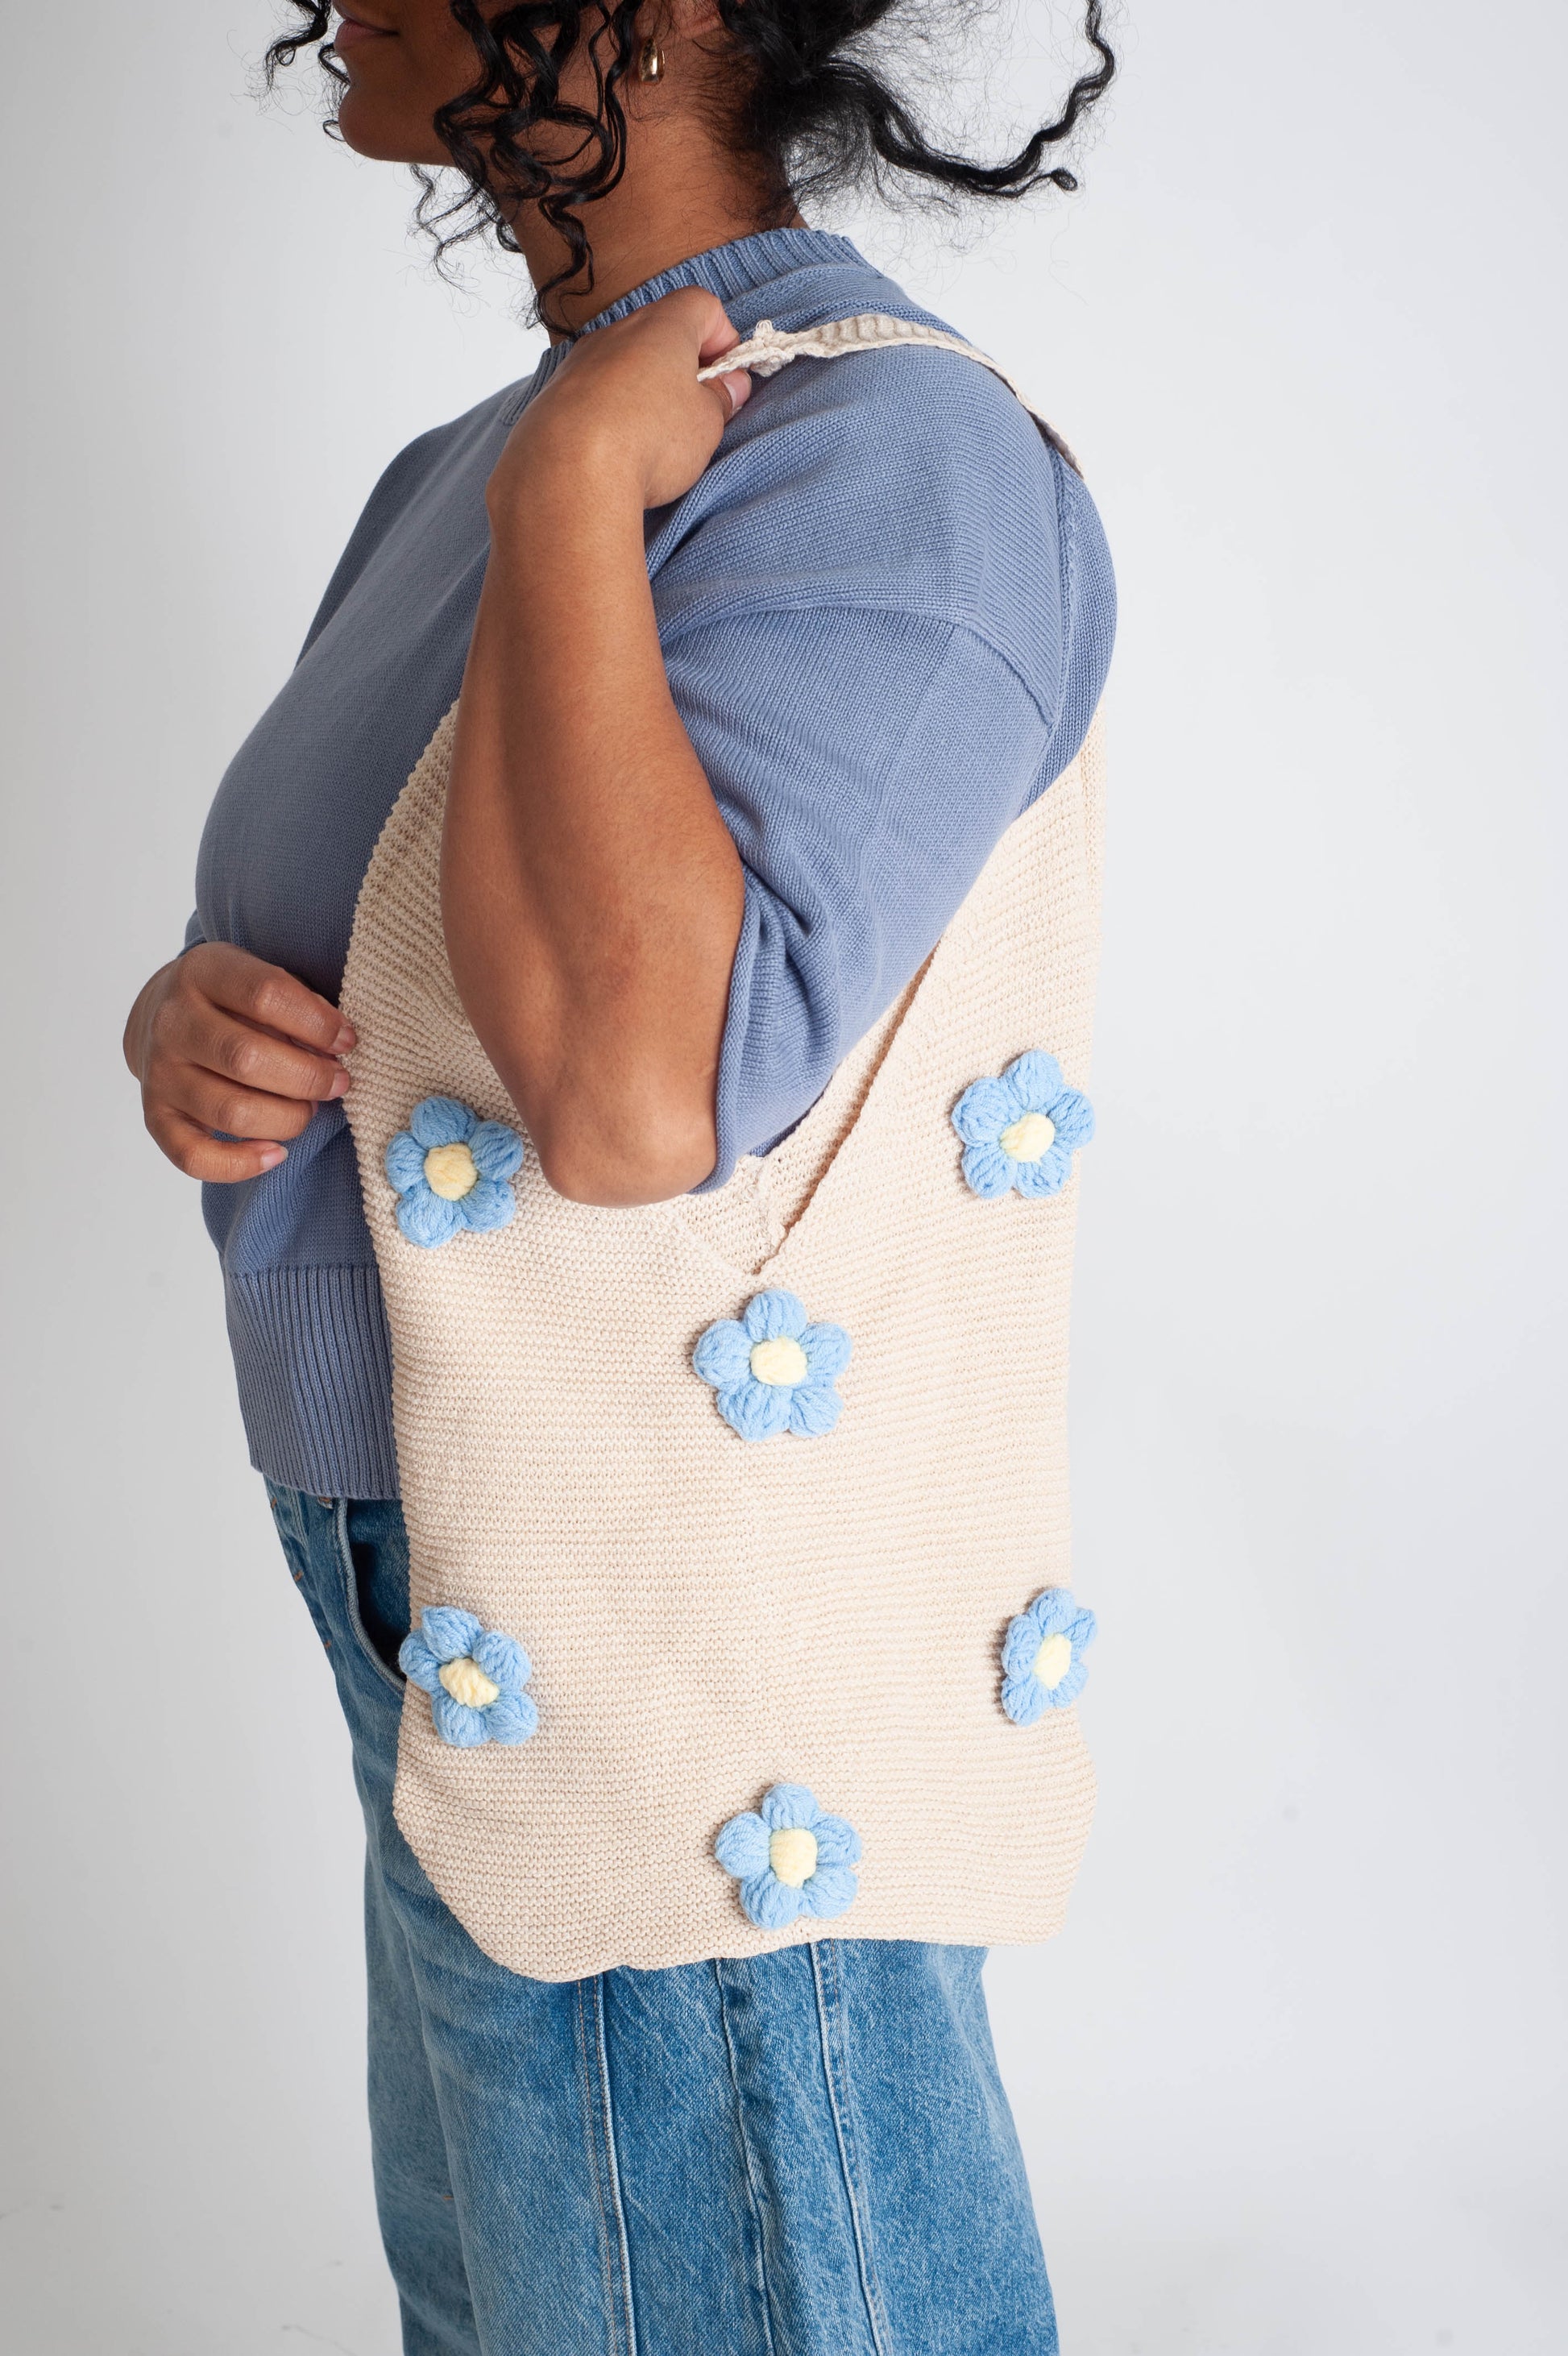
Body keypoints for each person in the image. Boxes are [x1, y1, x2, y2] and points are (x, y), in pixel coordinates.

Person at [122, 3, 1118, 2349]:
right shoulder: (483, 458)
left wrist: (575, 505)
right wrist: (200, 1023)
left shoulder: (880, 455)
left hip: (671, 1636)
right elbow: (412, 937)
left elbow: (635, 1095)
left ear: (653, 18)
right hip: (448, 1574)